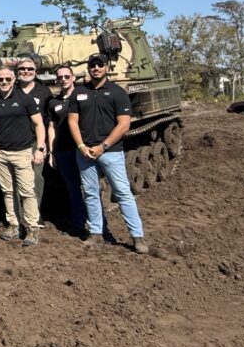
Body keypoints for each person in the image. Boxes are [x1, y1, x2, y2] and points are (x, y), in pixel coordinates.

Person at [67, 53, 149, 254]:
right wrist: (81, 146)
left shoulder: (117, 92)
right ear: (88, 68)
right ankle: (96, 233)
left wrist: (102, 146)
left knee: (122, 193)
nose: (96, 68)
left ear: (106, 67)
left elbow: (124, 124)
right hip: (85, 152)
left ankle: (137, 237)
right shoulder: (79, 92)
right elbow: (72, 121)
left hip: (110, 151)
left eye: (100, 65)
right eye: (92, 65)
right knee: (90, 193)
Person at [0, 67, 45, 246]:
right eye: (0, 79)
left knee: (27, 192)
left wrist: (39, 149)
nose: (4, 82)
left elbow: (39, 124)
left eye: (7, 79)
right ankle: (14, 225)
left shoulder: (25, 98)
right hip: (0, 154)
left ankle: (32, 228)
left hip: (22, 152)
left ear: (14, 79)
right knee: (7, 191)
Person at [47, 65, 86, 234]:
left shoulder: (84, 96)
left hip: (82, 149)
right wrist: (52, 152)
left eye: (66, 76)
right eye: (60, 77)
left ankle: (97, 225)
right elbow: (52, 127)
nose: (63, 80)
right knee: (73, 188)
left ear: (73, 78)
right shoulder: (53, 102)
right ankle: (78, 224)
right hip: (63, 149)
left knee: (89, 188)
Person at [15, 57, 52, 220]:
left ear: (35, 72)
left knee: (36, 178)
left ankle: (34, 214)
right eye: (22, 69)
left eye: (30, 69)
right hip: (15, 143)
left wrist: (43, 145)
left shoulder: (43, 92)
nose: (26, 71)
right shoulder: (12, 90)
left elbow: (49, 119)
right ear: (17, 72)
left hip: (35, 141)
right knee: (17, 180)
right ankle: (19, 217)